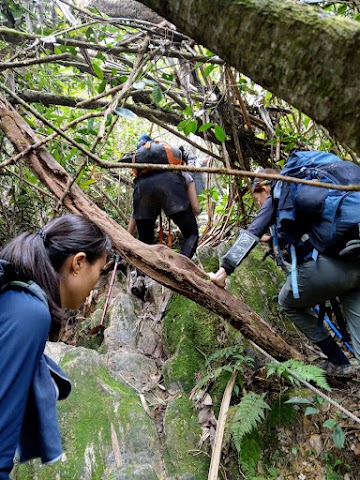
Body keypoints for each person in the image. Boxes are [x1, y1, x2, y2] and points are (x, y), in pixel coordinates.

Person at [209, 169, 359, 376]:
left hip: (328, 270)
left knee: (287, 302)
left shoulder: (278, 194)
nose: (260, 203)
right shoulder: (309, 190)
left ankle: (340, 363)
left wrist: (223, 272)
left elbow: (251, 233)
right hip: (354, 263)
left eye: (257, 198)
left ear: (261, 187)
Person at [0, 214, 111, 479]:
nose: (97, 285)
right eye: (100, 271)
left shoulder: (15, 296)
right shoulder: (29, 312)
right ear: (79, 263)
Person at [129, 134, 200, 299]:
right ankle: (178, 272)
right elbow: (195, 207)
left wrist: (127, 237)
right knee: (191, 234)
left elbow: (135, 214)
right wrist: (189, 212)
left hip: (143, 190)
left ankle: (140, 279)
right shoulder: (177, 168)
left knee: (144, 242)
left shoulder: (141, 176)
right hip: (170, 186)